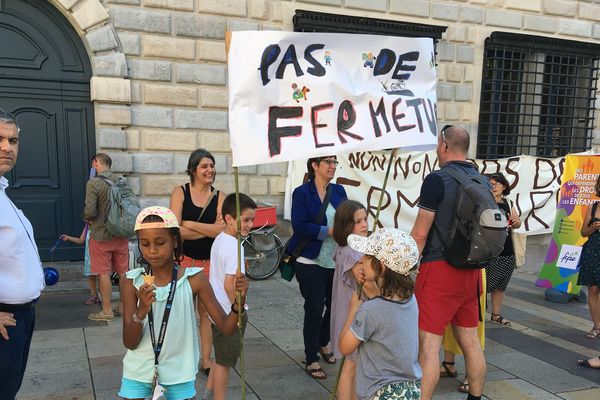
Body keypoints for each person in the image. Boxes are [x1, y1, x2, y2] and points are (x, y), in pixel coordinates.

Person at [118, 206, 248, 400]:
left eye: (160, 242)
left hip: (179, 375)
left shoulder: (194, 280)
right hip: (137, 373)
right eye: (144, 244)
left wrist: (239, 304)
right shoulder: (131, 282)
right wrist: (142, 311)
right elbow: (129, 341)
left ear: (175, 241)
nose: (152, 251)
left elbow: (227, 328)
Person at [410, 125, 486, 400]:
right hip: (472, 272)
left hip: (438, 270)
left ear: (443, 146)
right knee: (470, 341)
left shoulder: (436, 180)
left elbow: (420, 233)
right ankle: (475, 398)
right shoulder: (482, 180)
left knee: (429, 346)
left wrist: (402, 265)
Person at [339, 228, 422, 400]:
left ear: (381, 266)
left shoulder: (370, 310)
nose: (361, 259)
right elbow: (386, 311)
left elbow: (345, 347)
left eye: (367, 256)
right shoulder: (410, 299)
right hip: (409, 391)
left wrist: (353, 309)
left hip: (380, 393)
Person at [286, 156, 348, 379]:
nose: (333, 166)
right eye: (328, 162)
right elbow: (300, 226)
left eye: (334, 162)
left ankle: (323, 342)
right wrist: (329, 231)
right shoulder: (302, 193)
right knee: (314, 307)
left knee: (333, 307)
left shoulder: (339, 191)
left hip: (335, 260)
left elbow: (347, 219)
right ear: (314, 165)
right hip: (308, 260)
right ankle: (311, 357)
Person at [0, 108, 45, 399]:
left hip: (22, 317)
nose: (7, 147)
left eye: (12, 141)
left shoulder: (3, 193)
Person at [169, 148, 226, 375]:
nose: (210, 170)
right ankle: (179, 358)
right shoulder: (180, 193)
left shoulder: (220, 196)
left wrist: (190, 224)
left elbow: (222, 230)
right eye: (205, 166)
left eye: (212, 166)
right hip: (185, 262)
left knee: (206, 314)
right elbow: (175, 231)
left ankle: (205, 360)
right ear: (193, 169)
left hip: (210, 263)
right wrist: (208, 230)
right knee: (181, 312)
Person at [205, 193, 256, 400]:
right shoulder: (236, 247)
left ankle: (208, 395)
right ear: (228, 218)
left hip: (217, 312)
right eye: (245, 220)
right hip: (229, 313)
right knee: (225, 364)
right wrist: (239, 308)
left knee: (220, 357)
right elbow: (230, 284)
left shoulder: (220, 239)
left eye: (252, 219)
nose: (250, 225)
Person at [83, 153, 129, 322]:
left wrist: (86, 218)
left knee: (103, 272)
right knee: (123, 272)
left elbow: (90, 211)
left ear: (96, 163)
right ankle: (124, 306)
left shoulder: (93, 183)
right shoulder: (122, 181)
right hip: (121, 234)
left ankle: (107, 310)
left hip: (101, 235)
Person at [330, 200, 368, 400]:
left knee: (352, 366)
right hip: (350, 316)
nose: (364, 224)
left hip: (350, 314)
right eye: (358, 221)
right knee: (350, 366)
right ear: (346, 225)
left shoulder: (349, 248)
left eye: (365, 219)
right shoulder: (350, 252)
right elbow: (363, 279)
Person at [440, 269, 487, 394]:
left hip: (472, 266)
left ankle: (470, 376)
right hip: (452, 266)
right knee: (449, 324)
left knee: (471, 332)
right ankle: (449, 363)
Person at [486, 173, 521, 327]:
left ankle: (496, 315)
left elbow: (518, 223)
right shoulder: (484, 202)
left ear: (504, 186)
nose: (493, 186)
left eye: (496, 183)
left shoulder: (508, 202)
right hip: (487, 249)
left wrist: (514, 222)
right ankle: (476, 314)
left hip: (506, 249)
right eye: (490, 183)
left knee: (501, 285)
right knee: (481, 284)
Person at [577, 175, 600, 339]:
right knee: (592, 290)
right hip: (593, 251)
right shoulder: (592, 206)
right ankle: (597, 326)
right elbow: (583, 232)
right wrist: (592, 227)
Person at [61, 224, 100, 305]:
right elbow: (81, 240)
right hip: (89, 256)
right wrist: (69, 238)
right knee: (91, 276)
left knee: (102, 276)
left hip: (99, 254)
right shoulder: (87, 226)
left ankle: (104, 295)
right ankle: (94, 296)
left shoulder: (100, 225)